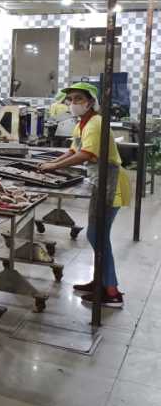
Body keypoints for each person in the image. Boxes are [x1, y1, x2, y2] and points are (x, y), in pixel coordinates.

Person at [39, 82, 131, 308]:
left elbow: (86, 154)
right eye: (70, 99)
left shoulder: (96, 123)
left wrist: (53, 167)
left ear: (91, 102)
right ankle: (100, 282)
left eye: (78, 99)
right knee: (97, 234)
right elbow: (74, 150)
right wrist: (52, 163)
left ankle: (112, 291)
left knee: (97, 235)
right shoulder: (83, 123)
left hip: (110, 183)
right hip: (101, 181)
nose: (73, 103)